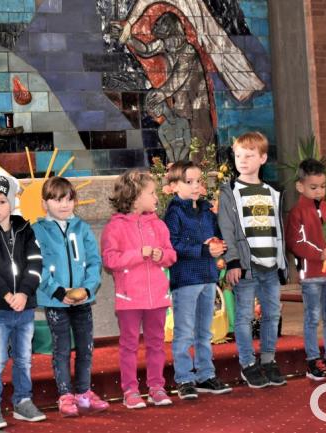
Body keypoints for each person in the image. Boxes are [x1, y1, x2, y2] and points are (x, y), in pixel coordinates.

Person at [0, 176, 45, 430]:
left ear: (11, 204)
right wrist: (6, 294)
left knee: (24, 359)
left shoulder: (25, 229)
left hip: (24, 307)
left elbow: (35, 262)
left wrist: (23, 293)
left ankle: (23, 401)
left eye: (2, 201)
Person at [32, 176, 108, 417]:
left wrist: (88, 288)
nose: (64, 205)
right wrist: (57, 291)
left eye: (68, 199)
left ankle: (84, 392)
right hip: (56, 300)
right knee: (62, 349)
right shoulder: (38, 230)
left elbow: (94, 262)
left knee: (86, 347)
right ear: (45, 204)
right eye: (56, 200)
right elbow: (36, 265)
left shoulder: (82, 228)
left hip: (82, 299)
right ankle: (65, 395)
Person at [101, 169, 177, 409]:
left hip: (157, 296)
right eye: (152, 193)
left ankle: (156, 387)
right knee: (129, 345)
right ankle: (130, 390)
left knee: (156, 343)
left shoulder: (159, 225)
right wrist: (138, 254)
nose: (156, 198)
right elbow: (110, 260)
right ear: (134, 197)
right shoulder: (115, 227)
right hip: (130, 297)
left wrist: (161, 255)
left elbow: (171, 255)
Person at [217, 131, 287, 388]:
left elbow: (277, 229)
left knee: (271, 315)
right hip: (246, 267)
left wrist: (281, 262)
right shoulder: (229, 192)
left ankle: (268, 360)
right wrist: (233, 262)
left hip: (270, 265)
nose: (242, 161)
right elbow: (227, 229)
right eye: (238, 156)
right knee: (244, 316)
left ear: (263, 158)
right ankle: (248, 364)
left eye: (249, 155)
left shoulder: (273, 192)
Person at [164, 160, 232, 399]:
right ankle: (184, 378)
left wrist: (219, 243)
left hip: (207, 276)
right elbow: (172, 244)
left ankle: (206, 374)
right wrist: (203, 250)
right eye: (188, 181)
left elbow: (217, 235)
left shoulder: (204, 209)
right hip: (186, 278)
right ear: (173, 186)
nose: (195, 186)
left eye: (198, 181)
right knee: (184, 332)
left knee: (205, 331)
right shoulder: (174, 211)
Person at [285, 158, 326, 381]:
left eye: (322, 186)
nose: (319, 191)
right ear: (300, 186)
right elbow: (295, 242)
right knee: (312, 317)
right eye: (313, 187)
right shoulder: (296, 212)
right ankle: (313, 359)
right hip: (312, 273)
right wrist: (319, 253)